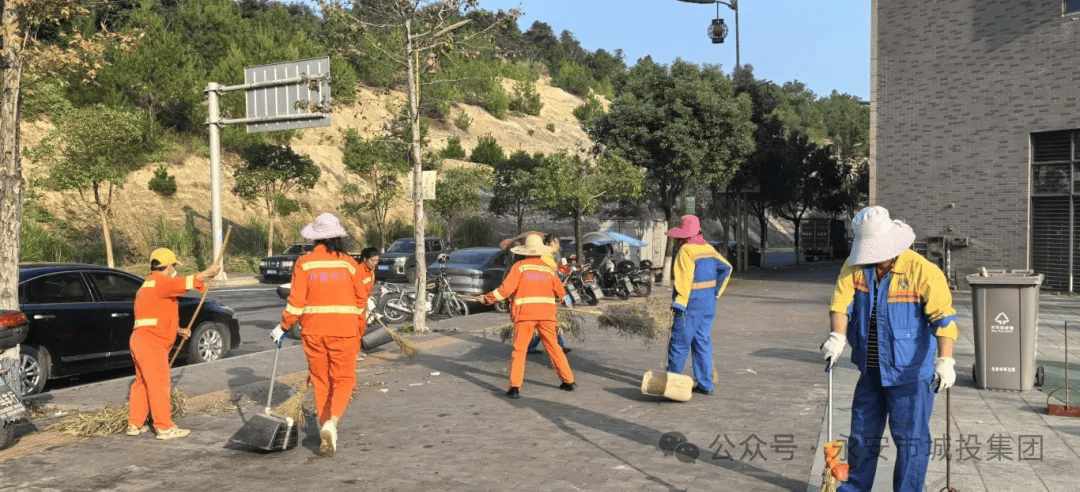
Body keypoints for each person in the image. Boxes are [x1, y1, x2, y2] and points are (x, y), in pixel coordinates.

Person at [820, 206, 957, 492]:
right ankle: (854, 489)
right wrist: (836, 335)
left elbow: (944, 319)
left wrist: (945, 360)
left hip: (909, 377)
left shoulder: (924, 272)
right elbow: (840, 304)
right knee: (862, 436)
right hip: (870, 370)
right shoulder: (855, 267)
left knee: (911, 442)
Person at [271, 213, 370, 457]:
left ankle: (328, 429)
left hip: (313, 332)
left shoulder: (304, 263)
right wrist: (358, 330)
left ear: (315, 238)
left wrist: (283, 327)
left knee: (321, 380)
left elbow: (296, 301)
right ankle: (331, 424)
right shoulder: (349, 263)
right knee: (344, 380)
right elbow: (361, 300)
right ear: (338, 237)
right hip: (344, 332)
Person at [128, 248, 220, 440]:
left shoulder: (147, 285)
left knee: (142, 383)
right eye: (173, 267)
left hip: (140, 340)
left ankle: (134, 424)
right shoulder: (161, 282)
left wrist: (178, 330)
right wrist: (207, 273)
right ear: (169, 267)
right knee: (159, 385)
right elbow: (184, 283)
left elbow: (153, 316)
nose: (173, 270)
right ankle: (164, 427)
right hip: (152, 343)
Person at [482, 234, 574, 399]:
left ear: (524, 252)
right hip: (546, 315)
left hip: (524, 315)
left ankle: (515, 387)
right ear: (540, 252)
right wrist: (558, 296)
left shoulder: (519, 267)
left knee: (519, 350)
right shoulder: (547, 269)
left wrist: (488, 298)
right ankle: (568, 381)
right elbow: (560, 292)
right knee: (554, 347)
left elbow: (505, 290)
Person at [665, 215, 731, 396]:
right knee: (702, 342)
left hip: (690, 305)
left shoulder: (686, 250)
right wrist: (715, 293)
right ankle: (706, 384)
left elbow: (684, 279)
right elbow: (726, 268)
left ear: (684, 236)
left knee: (679, 344)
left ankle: (673, 387)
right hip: (709, 304)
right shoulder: (709, 249)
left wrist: (680, 302)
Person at [528, 234, 570, 354]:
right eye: (555, 242)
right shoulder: (545, 258)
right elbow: (551, 278)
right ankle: (559, 346)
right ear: (547, 244)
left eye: (558, 243)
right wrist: (560, 292)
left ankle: (532, 347)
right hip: (544, 296)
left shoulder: (550, 257)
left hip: (548, 296)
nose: (557, 245)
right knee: (548, 322)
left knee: (548, 323)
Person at [356, 246, 381, 361]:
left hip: (364, 301)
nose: (375, 263)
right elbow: (356, 290)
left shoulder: (371, 270)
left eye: (377, 260)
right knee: (356, 328)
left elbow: (369, 286)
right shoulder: (359, 271)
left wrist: (369, 297)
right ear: (365, 259)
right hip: (356, 304)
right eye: (373, 260)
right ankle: (353, 353)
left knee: (361, 327)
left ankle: (357, 350)